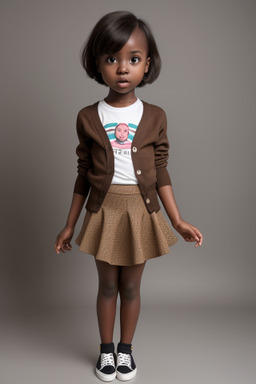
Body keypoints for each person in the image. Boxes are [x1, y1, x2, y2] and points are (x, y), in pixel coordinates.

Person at [54, 10, 203, 382]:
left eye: (133, 59)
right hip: (104, 210)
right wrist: (69, 224)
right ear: (98, 65)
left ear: (147, 64)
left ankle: (126, 351)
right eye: (112, 59)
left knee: (131, 286)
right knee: (107, 285)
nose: (123, 69)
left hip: (141, 210)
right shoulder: (88, 117)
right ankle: (106, 352)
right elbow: (83, 174)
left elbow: (162, 171)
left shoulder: (155, 116)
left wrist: (177, 220)